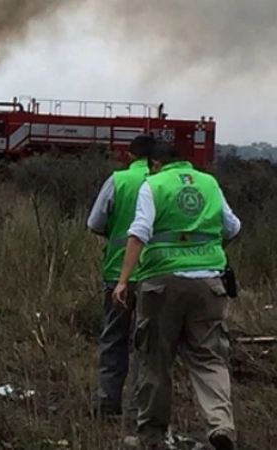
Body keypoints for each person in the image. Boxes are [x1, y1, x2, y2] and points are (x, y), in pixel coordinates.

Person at [113, 141, 241, 449]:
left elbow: (139, 232)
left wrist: (123, 281)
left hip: (161, 284)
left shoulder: (153, 185)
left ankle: (152, 436)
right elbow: (233, 227)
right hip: (210, 284)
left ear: (156, 163)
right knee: (209, 358)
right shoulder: (209, 183)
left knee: (155, 359)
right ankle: (221, 425)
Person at [87, 134, 157, 419]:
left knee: (114, 338)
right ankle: (143, 408)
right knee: (149, 344)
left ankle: (107, 403)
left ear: (129, 156)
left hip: (118, 274)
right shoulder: (162, 184)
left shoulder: (118, 180)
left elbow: (95, 223)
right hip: (157, 274)